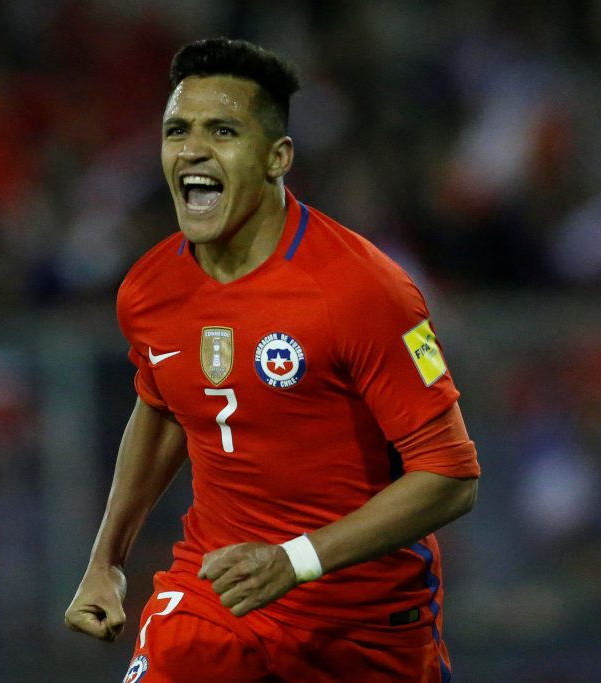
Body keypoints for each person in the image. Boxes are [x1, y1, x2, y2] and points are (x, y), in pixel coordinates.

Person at [63, 37, 480, 683]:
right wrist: (106, 561)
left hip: (362, 624)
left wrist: (295, 560)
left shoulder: (363, 289)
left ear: (276, 157)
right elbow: (166, 404)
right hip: (216, 595)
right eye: (178, 130)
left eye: (222, 130)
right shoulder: (149, 289)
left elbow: (451, 476)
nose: (192, 149)